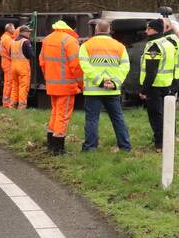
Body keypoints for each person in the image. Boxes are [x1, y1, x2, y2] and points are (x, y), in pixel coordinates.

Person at [78, 20, 131, 152]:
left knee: (92, 120)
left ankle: (90, 148)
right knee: (118, 119)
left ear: (96, 30)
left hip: (93, 90)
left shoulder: (86, 45)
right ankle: (125, 147)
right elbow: (125, 67)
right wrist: (115, 82)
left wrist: (100, 81)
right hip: (112, 90)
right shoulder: (120, 46)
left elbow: (85, 66)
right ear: (109, 30)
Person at [38, 19, 83, 155]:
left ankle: (51, 144)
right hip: (66, 86)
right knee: (62, 116)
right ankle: (58, 149)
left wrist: (48, 78)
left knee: (55, 113)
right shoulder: (70, 41)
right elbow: (76, 66)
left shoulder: (48, 39)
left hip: (52, 84)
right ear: (73, 27)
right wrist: (82, 84)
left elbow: (42, 61)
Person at [138, 18, 179, 151]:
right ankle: (168, 140)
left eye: (148, 29)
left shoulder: (154, 46)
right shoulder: (168, 43)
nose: (146, 31)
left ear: (154, 30)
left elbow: (151, 71)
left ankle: (160, 145)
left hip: (155, 86)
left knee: (156, 116)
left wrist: (144, 90)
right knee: (166, 114)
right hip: (166, 84)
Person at [9, 25, 35, 110]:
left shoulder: (13, 42)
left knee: (14, 86)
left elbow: (10, 54)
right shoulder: (26, 42)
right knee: (23, 87)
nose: (29, 33)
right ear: (24, 32)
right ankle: (22, 106)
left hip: (13, 67)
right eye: (28, 32)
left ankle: (12, 105)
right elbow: (31, 55)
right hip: (23, 68)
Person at [0, 23, 16, 107]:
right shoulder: (7, 39)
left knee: (8, 82)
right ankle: (6, 103)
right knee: (9, 83)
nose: (15, 30)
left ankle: (7, 102)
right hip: (8, 63)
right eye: (14, 28)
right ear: (9, 29)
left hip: (7, 62)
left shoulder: (6, 37)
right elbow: (12, 51)